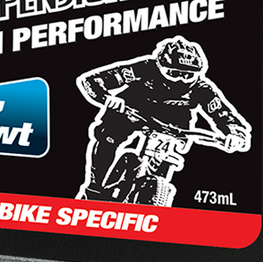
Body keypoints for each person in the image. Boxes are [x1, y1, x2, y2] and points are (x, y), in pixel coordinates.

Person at [75, 34, 251, 201]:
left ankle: (154, 191)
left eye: (188, 75)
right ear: (159, 66)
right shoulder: (143, 68)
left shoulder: (202, 88)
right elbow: (92, 81)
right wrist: (107, 99)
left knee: (171, 151)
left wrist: (235, 134)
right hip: (132, 110)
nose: (181, 80)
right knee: (108, 136)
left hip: (173, 121)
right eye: (174, 73)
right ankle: (94, 189)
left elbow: (222, 112)